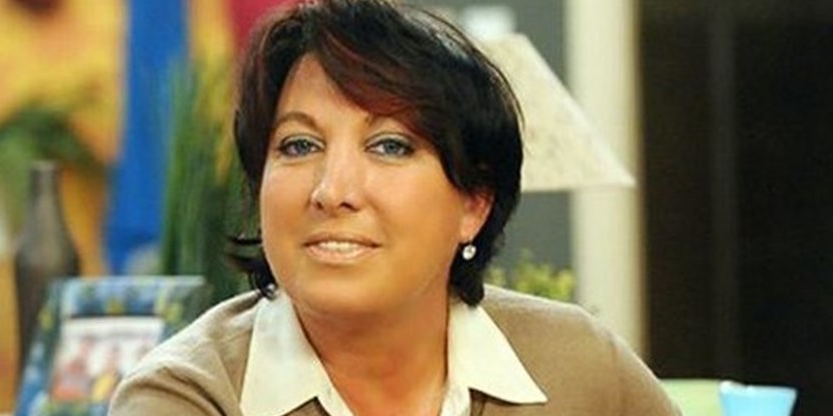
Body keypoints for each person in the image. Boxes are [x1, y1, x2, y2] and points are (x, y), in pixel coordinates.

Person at [110, 0, 680, 415]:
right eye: (299, 146)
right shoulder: (189, 396)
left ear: (474, 203)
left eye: (390, 146)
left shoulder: (579, 369)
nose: (332, 190)